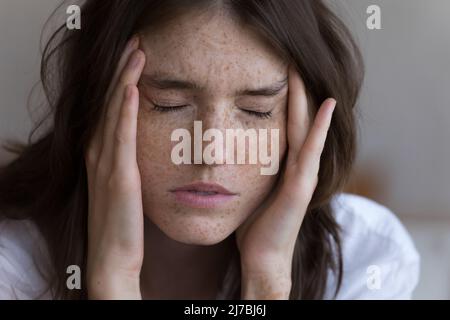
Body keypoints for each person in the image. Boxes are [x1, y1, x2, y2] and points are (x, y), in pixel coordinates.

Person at [0, 0, 419, 299]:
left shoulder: (367, 259)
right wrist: (114, 283)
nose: (212, 152)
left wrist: (268, 282)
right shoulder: (12, 267)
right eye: (169, 105)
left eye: (256, 111)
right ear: (95, 106)